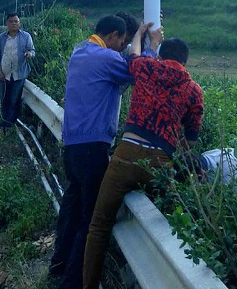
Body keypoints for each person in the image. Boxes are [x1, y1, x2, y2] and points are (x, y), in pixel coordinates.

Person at [82, 23, 203, 289]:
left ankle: (89, 285)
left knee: (99, 226)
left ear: (161, 55)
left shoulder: (148, 68)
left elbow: (134, 57)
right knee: (166, 232)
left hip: (126, 154)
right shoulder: (194, 90)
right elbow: (190, 139)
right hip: (160, 162)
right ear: (184, 61)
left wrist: (139, 35)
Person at [49, 14, 153, 289]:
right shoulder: (106, 59)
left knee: (71, 208)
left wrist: (137, 35)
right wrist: (147, 42)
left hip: (72, 147)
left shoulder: (80, 52)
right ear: (112, 36)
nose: (122, 46)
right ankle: (72, 283)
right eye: (123, 41)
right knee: (91, 218)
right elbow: (140, 70)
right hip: (92, 149)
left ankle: (58, 266)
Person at [0, 13, 34, 130]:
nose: (14, 23)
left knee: (14, 100)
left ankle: (10, 125)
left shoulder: (26, 36)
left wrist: (29, 54)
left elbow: (32, 51)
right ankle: (4, 123)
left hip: (19, 74)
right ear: (7, 23)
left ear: (19, 23)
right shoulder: (1, 38)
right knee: (4, 99)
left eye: (16, 21)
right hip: (4, 74)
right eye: (11, 21)